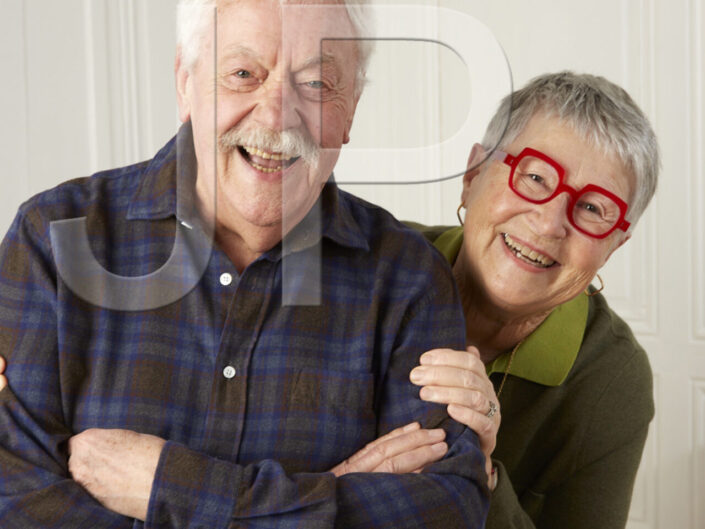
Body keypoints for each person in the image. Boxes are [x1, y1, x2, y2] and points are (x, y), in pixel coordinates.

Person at [0, 1, 489, 527]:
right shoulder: (54, 239)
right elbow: (13, 499)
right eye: (243, 74)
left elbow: (446, 510)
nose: (276, 116)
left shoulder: (409, 280)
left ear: (350, 110)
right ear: (185, 84)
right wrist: (312, 504)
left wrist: (170, 487)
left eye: (316, 84)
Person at [333, 71, 657, 529]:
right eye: (536, 176)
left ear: (613, 246)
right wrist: (329, 499)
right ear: (473, 175)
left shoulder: (613, 377)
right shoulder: (361, 261)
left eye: (591, 208)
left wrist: (480, 476)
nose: (548, 223)